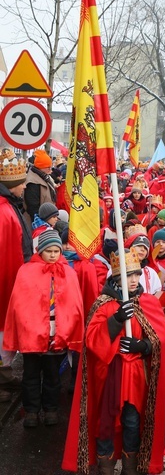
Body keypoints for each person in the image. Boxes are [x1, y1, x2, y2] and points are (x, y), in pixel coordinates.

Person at [62, 248, 165, 475]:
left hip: (136, 376)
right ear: (116, 277)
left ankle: (130, 468)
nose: (133, 280)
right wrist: (117, 319)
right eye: (127, 275)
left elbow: (160, 339)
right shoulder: (103, 303)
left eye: (136, 275)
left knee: (132, 422)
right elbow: (92, 340)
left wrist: (145, 346)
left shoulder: (147, 302)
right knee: (106, 423)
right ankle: (105, 468)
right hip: (109, 374)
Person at [3, 230, 84, 427]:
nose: (54, 254)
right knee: (30, 376)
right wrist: (27, 328)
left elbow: (75, 305)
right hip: (32, 335)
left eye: (57, 250)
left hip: (56, 334)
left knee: (52, 376)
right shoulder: (26, 272)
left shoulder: (69, 273)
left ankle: (51, 409)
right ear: (40, 251)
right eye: (49, 250)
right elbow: (19, 305)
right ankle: (31, 411)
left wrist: (70, 329)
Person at [0, 149, 33, 403]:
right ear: (13, 187)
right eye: (21, 183)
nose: (24, 187)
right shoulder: (3, 212)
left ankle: (4, 372)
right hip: (6, 280)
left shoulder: (9, 206)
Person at [24, 149, 57, 230]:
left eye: (51, 166)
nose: (50, 169)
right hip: (37, 224)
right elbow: (33, 208)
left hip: (47, 220)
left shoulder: (44, 176)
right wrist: (43, 224)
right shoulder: (32, 182)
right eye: (48, 167)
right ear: (40, 167)